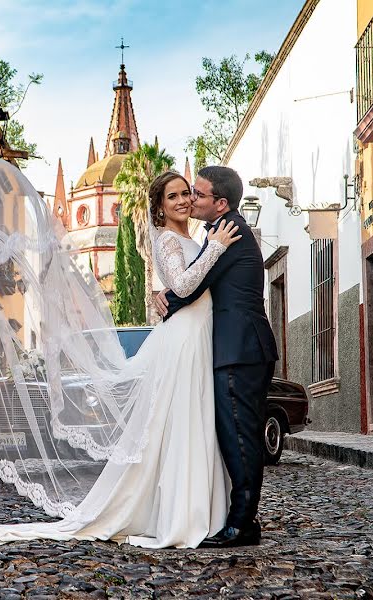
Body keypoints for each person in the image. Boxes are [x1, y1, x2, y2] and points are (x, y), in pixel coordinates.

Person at [0, 170, 241, 551]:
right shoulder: (169, 239)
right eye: (173, 197)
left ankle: (202, 511)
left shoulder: (196, 237)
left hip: (200, 334)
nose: (184, 200)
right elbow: (186, 285)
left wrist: (190, 266)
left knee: (196, 422)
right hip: (185, 338)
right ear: (159, 208)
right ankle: (182, 516)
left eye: (186, 193)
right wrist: (216, 249)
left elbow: (185, 286)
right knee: (183, 422)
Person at [155, 165, 279, 548]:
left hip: (239, 349)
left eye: (198, 193)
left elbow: (192, 286)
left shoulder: (228, 232)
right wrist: (162, 296)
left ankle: (241, 523)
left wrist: (167, 300)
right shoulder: (217, 232)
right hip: (233, 347)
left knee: (240, 438)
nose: (191, 198)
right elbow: (193, 281)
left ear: (220, 203)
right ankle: (241, 518)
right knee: (232, 435)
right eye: (185, 192)